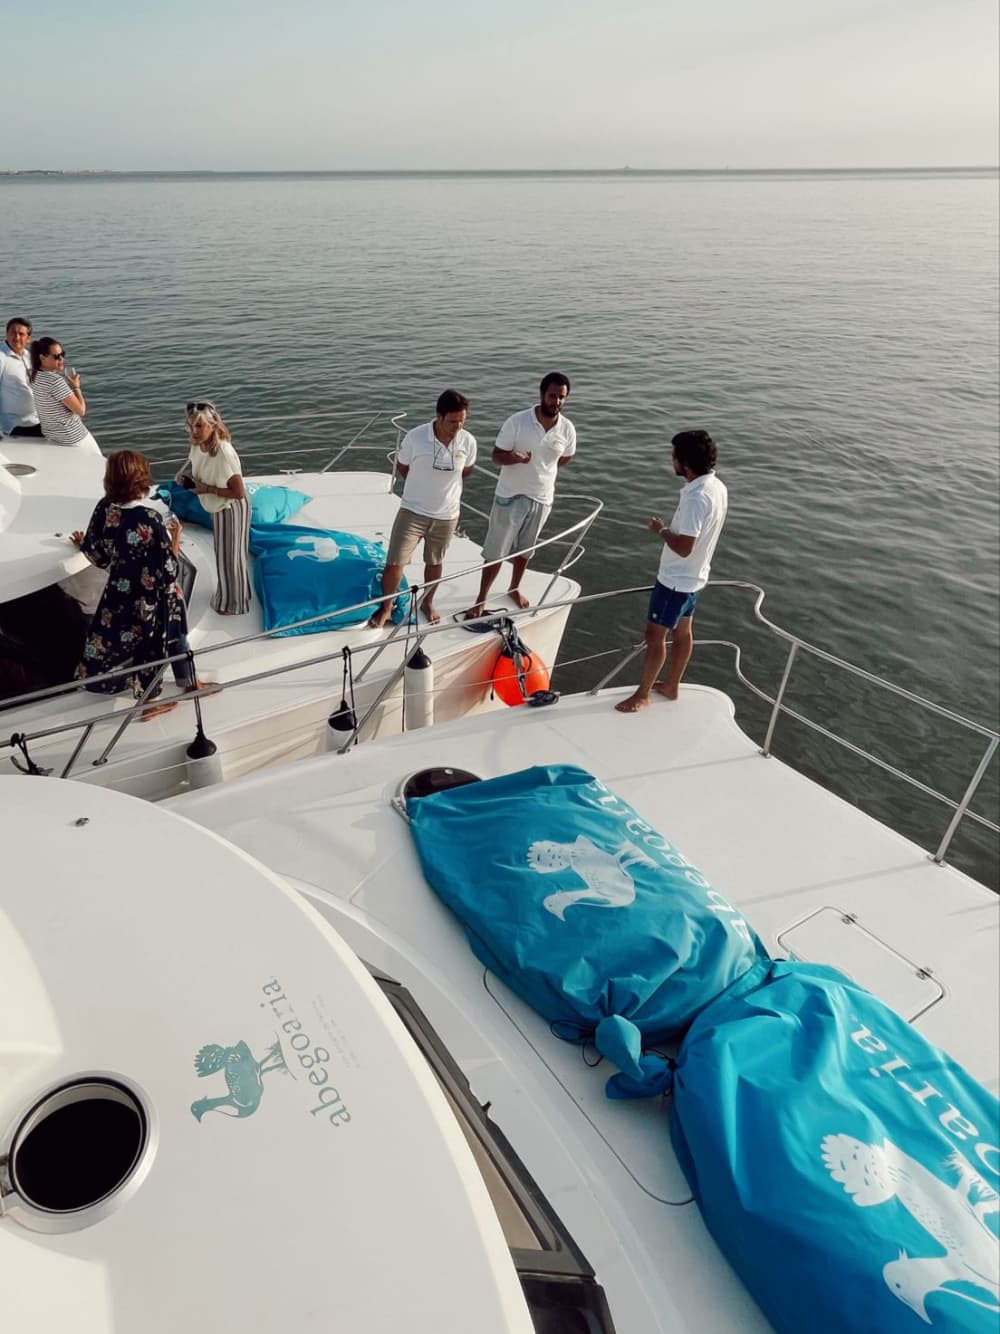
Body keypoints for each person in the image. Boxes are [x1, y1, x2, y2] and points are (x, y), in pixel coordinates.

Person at [70, 450, 207, 720]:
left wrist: (81, 542)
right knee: (164, 639)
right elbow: (168, 570)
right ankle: (152, 702)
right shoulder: (150, 520)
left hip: (119, 594)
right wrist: (175, 537)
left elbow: (97, 554)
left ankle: (187, 682)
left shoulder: (105, 508)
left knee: (128, 640)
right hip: (153, 598)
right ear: (140, 479)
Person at [615, 429, 728, 714]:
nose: (672, 460)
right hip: (695, 578)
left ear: (684, 462)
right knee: (683, 632)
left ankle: (642, 694)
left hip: (675, 580)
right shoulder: (717, 487)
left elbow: (684, 546)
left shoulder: (696, 498)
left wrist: (661, 529)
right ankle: (672, 685)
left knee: (654, 636)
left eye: (674, 456)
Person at [465, 371, 575, 619]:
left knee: (526, 550)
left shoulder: (567, 429)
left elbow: (566, 457)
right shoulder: (517, 421)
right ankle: (481, 598)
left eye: (561, 397)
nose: (556, 401)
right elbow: (495, 455)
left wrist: (544, 469)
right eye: (552, 396)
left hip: (542, 499)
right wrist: (513, 458)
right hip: (510, 496)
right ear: (541, 395)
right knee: (496, 552)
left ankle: (514, 588)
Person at [369, 389, 477, 628]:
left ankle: (428, 602)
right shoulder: (416, 438)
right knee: (395, 561)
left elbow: (466, 470)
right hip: (413, 511)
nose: (457, 426)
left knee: (435, 562)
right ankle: (387, 607)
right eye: (452, 421)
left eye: (462, 421)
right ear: (439, 416)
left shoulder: (468, 441)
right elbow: (404, 467)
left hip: (447, 515)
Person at [178, 401, 252, 616]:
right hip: (217, 506)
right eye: (191, 426)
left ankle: (234, 605)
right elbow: (203, 470)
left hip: (231, 507)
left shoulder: (223, 453)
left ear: (213, 425)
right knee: (225, 553)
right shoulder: (197, 445)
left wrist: (205, 489)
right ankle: (238, 594)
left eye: (200, 426)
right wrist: (189, 482)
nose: (194, 431)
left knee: (231, 556)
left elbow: (238, 492)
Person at [28, 336, 101, 453]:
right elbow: (81, 411)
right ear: (42, 358)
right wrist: (76, 387)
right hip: (73, 438)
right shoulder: (55, 381)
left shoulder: (34, 376)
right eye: (56, 356)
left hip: (53, 437)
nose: (61, 359)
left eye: (62, 354)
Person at [0, 317, 42, 437]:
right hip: (15, 426)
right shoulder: (2, 357)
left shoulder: (28, 356)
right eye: (13, 333)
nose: (16, 337)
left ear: (28, 339)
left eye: (21, 334)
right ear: (7, 335)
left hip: (34, 420)